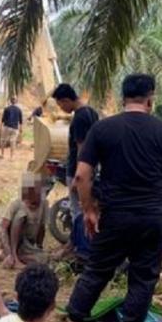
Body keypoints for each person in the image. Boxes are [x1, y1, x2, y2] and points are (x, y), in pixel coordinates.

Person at [57, 74, 162, 322]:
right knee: (143, 277)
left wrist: (90, 210)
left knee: (97, 270)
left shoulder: (103, 129)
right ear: (150, 99)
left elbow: (81, 175)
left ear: (122, 98)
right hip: (154, 218)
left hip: (115, 215)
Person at [51, 84, 99, 257]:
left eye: (60, 105)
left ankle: (83, 252)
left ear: (66, 100)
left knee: (79, 212)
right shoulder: (92, 113)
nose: (61, 109)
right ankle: (75, 245)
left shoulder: (79, 118)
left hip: (78, 171)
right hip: (93, 171)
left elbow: (82, 150)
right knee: (89, 209)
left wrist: (79, 177)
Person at [0, 174, 48, 268]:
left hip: (27, 245)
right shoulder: (16, 203)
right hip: (13, 242)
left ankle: (9, 256)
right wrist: (9, 252)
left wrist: (39, 247)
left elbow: (42, 227)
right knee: (20, 215)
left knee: (43, 259)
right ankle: (13, 256)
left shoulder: (44, 203)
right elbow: (3, 228)